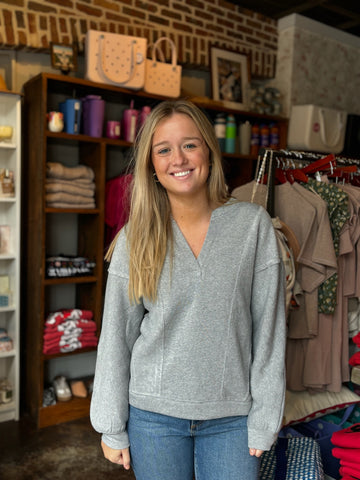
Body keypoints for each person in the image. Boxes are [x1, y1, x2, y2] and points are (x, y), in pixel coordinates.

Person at [90, 99, 286, 480]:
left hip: (233, 418)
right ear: (151, 164)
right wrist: (111, 425)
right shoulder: (136, 237)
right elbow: (116, 337)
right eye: (163, 149)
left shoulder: (252, 226)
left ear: (208, 151)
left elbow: (270, 331)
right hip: (153, 419)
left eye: (189, 145)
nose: (177, 158)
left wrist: (266, 416)